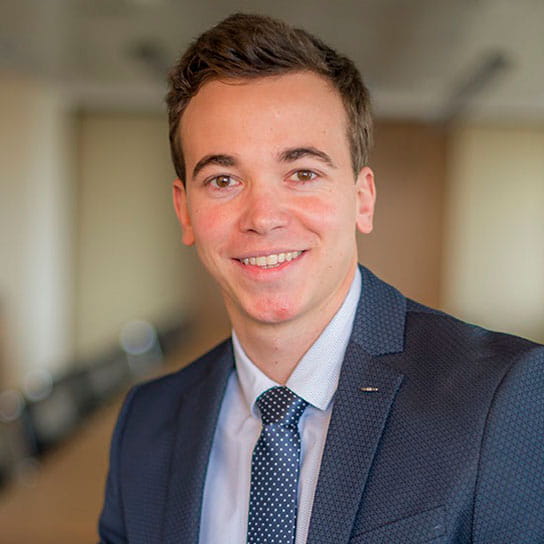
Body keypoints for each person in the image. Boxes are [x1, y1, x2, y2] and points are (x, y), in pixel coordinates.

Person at [98, 13, 544, 544]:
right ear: (185, 211)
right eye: (223, 180)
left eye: (302, 173)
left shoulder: (499, 395)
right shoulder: (145, 423)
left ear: (362, 198)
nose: (263, 217)